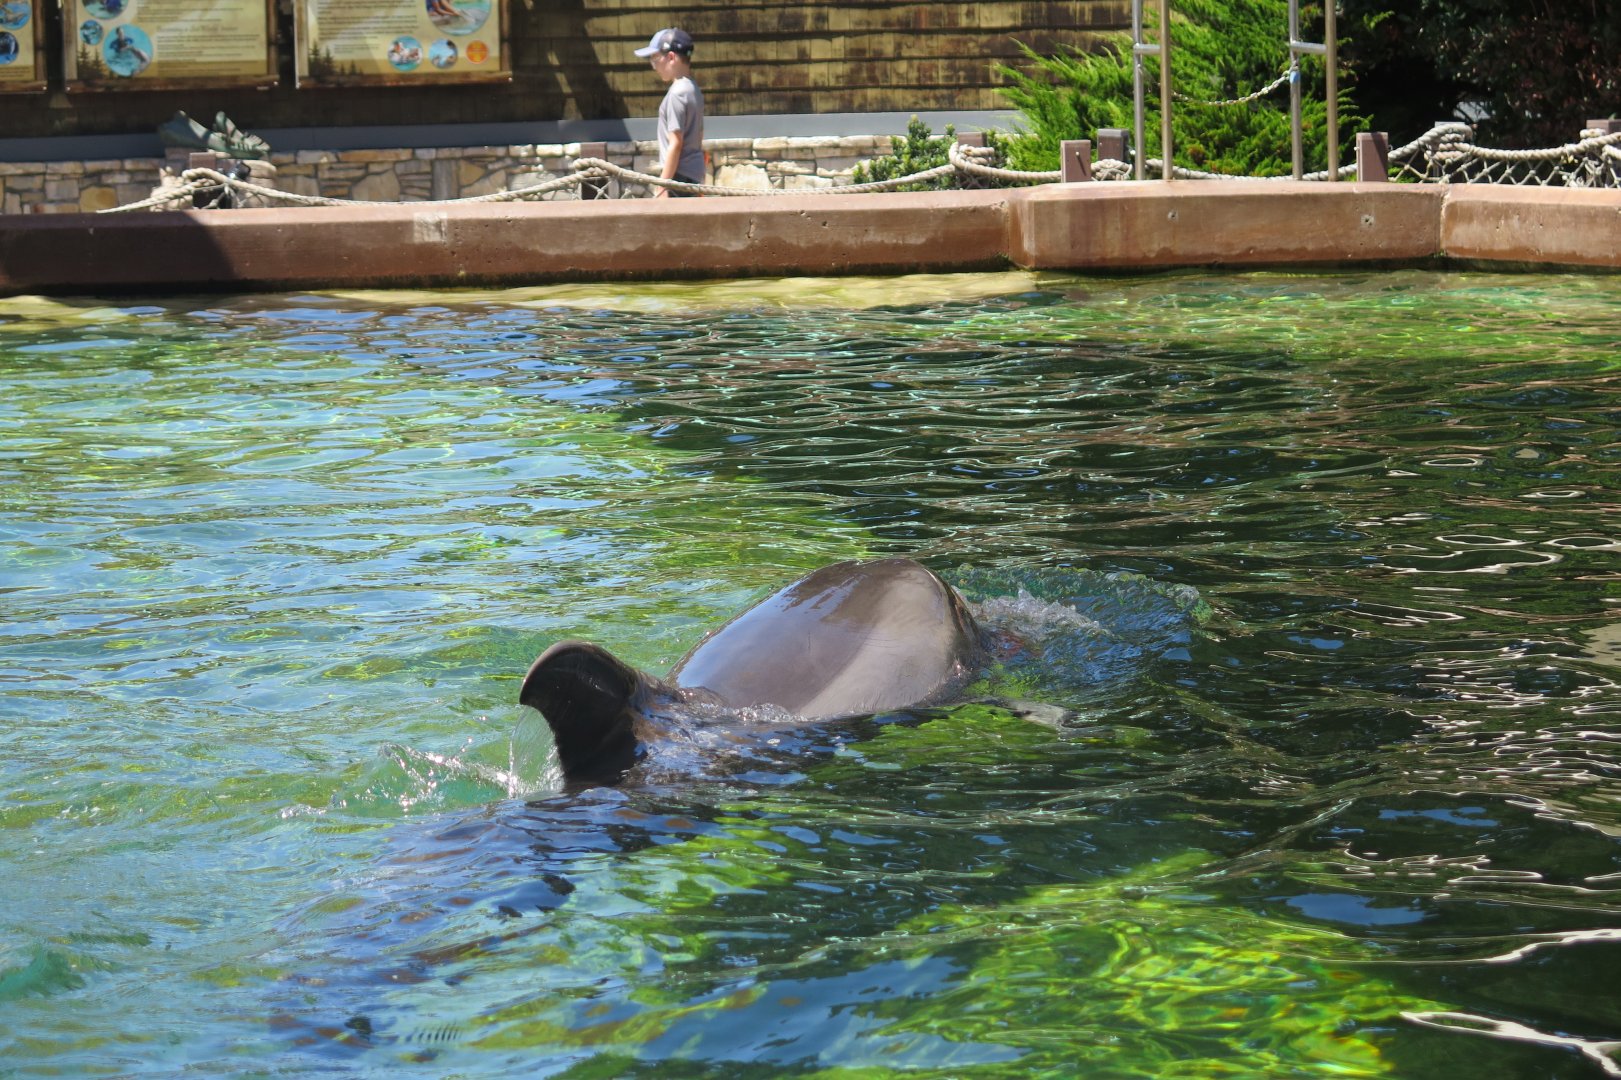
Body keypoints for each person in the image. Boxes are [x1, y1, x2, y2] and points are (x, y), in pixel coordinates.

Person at [633, 28, 704, 198]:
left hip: (677, 179)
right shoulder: (693, 89)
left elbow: (676, 143)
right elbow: (698, 136)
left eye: (655, 59)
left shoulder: (676, 94)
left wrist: (663, 186)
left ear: (671, 57)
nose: (654, 66)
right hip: (693, 177)